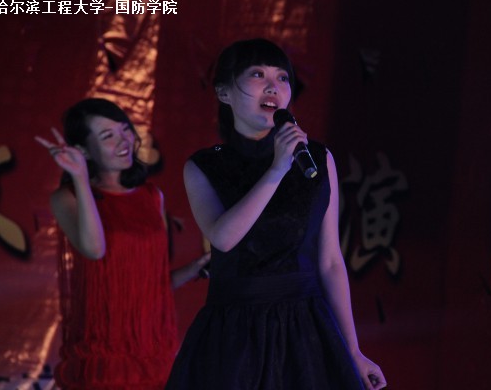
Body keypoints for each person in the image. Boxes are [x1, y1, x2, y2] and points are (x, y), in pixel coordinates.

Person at [165, 38, 387, 390]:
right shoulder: (205, 165)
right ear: (224, 93)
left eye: (282, 77)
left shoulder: (316, 157)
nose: (273, 86)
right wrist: (277, 169)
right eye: (257, 74)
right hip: (235, 333)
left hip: (305, 329)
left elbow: (330, 261)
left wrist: (353, 350)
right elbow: (223, 238)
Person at [35, 98, 210, 390]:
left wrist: (195, 268)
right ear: (83, 150)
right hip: (103, 351)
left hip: (152, 349)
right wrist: (80, 178)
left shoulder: (152, 196)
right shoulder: (67, 198)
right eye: (108, 136)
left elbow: (151, 288)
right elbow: (94, 249)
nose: (123, 141)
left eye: (124, 129)